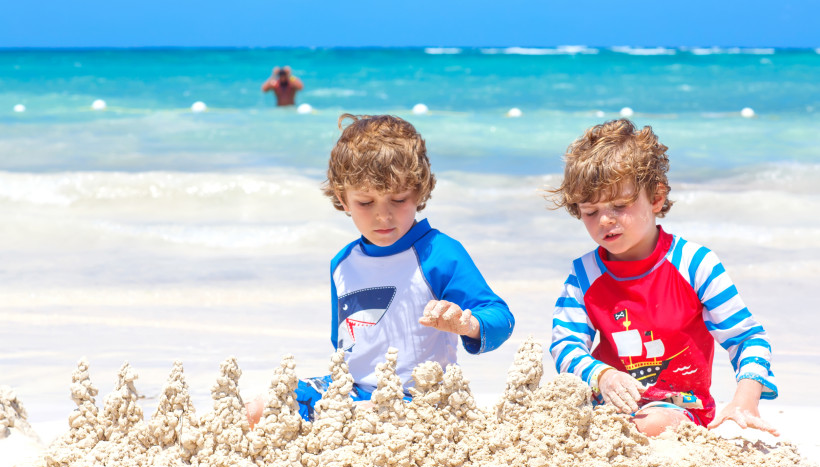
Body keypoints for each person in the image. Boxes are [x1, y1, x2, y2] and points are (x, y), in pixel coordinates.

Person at [247, 114, 515, 424]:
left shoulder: (438, 253)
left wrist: (468, 325)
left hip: (419, 399)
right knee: (261, 407)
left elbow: (501, 318)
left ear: (419, 192)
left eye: (398, 199)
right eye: (365, 202)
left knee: (367, 417)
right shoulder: (342, 263)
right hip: (353, 391)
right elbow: (344, 346)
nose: (383, 216)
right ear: (343, 199)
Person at [547, 118, 778, 437]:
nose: (605, 220)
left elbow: (747, 337)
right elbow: (565, 345)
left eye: (619, 205)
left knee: (653, 424)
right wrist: (603, 376)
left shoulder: (695, 264)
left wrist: (745, 399)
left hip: (678, 407)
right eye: (590, 211)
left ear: (656, 198)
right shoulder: (584, 275)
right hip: (606, 404)